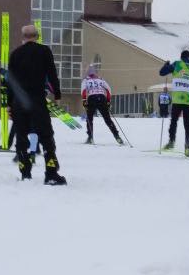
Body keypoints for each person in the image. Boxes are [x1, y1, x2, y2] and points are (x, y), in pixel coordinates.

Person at [7, 24, 67, 184]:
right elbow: (52, 74)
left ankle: (25, 173)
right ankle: (51, 173)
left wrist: (8, 104)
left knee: (21, 138)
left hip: (19, 102)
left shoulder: (15, 54)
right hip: (37, 100)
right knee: (46, 137)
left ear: (22, 37)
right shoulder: (44, 51)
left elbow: (10, 81)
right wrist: (57, 95)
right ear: (37, 36)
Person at [81, 65, 123, 145]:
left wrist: (84, 100)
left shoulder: (85, 80)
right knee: (107, 119)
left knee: (89, 119)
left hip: (92, 98)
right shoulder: (101, 79)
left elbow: (83, 90)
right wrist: (108, 101)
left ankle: (90, 137)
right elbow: (108, 89)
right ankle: (117, 136)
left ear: (87, 72)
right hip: (102, 98)